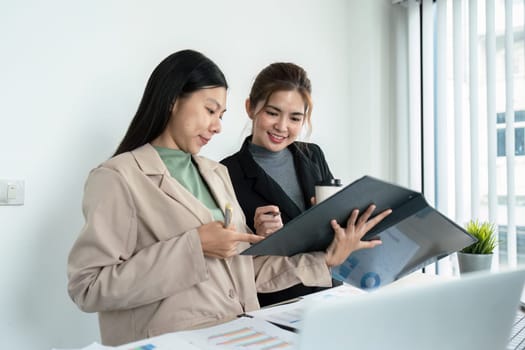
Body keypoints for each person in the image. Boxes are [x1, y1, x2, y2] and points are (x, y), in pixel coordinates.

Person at [67, 50, 391, 346]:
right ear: (172, 100)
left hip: (240, 334)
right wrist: (194, 246)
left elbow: (246, 272)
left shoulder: (214, 173)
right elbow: (89, 288)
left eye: (221, 114)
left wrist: (327, 260)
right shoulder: (117, 177)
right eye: (210, 110)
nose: (218, 126)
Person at [221, 62, 386, 306]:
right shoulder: (226, 172)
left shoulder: (313, 156)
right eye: (272, 113)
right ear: (250, 108)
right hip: (274, 301)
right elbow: (229, 259)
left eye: (295, 118)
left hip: (328, 291)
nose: (282, 126)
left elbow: (331, 228)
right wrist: (256, 235)